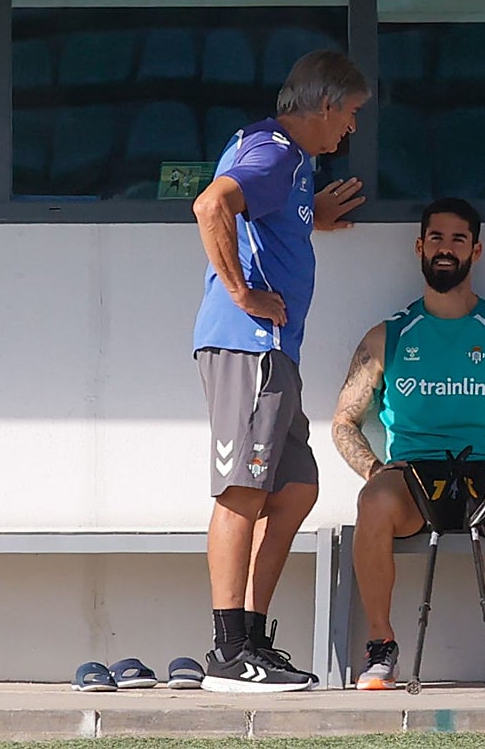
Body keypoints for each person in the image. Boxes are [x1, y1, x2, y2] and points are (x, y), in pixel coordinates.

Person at [331, 197, 485, 691]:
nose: (446, 248)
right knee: (372, 501)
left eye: (458, 239)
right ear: (419, 246)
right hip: (413, 478)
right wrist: (374, 470)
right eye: (436, 238)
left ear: (475, 251)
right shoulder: (388, 336)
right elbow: (343, 421)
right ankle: (381, 646)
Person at [191, 50, 370, 692]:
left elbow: (258, 214)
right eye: (350, 114)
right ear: (325, 104)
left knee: (294, 488)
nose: (351, 129)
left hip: (276, 354)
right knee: (243, 490)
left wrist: (308, 214)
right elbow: (212, 205)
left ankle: (252, 636)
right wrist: (243, 294)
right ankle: (227, 651)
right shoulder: (272, 152)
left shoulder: (290, 163)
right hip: (250, 347)